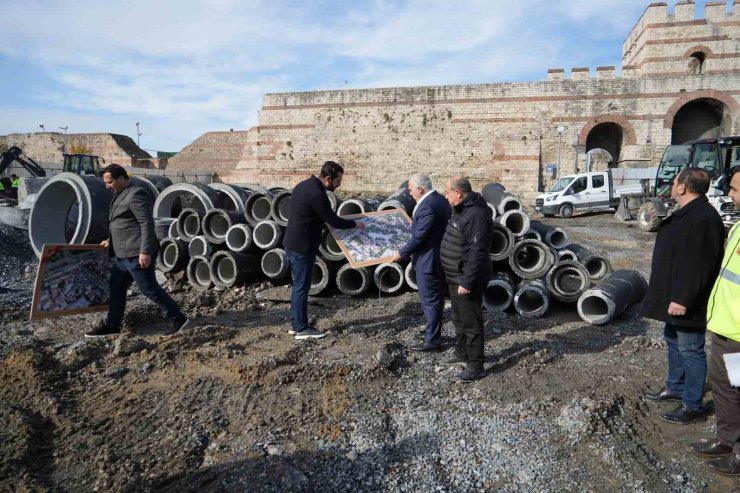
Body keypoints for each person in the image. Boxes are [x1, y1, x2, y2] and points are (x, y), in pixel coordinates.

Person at [642, 167, 725, 423]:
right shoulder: (688, 213)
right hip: (674, 296)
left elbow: (699, 264)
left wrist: (683, 299)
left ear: (683, 187)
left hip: (686, 300)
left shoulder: (703, 217)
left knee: (691, 349)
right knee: (673, 340)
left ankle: (693, 404)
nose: (672, 185)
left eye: (675, 182)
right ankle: (675, 387)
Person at [85, 164, 190, 337]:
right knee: (116, 286)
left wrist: (145, 251)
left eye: (109, 182)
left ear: (121, 178)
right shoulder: (119, 194)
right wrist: (110, 240)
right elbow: (124, 223)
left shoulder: (136, 194)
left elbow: (146, 223)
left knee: (149, 289)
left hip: (136, 253)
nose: (107, 185)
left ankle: (178, 319)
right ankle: (113, 326)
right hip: (123, 255)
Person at [687, 166, 740, 476]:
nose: (729, 194)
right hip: (724, 326)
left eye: (734, 189)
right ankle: (726, 439)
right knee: (725, 389)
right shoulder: (736, 228)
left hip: (738, 333)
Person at [283, 161, 365, 340]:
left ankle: (296, 324)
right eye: (338, 181)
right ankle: (301, 328)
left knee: (299, 286)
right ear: (328, 179)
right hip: (302, 246)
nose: (339, 185)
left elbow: (313, 214)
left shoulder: (304, 186)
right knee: (302, 287)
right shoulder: (316, 194)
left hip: (293, 242)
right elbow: (334, 221)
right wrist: (355, 223)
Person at [438, 175, 493, 382]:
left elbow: (477, 251)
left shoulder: (476, 214)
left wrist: (467, 281)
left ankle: (475, 364)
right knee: (458, 318)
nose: (445, 196)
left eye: (447, 192)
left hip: (466, 279)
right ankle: (462, 353)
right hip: (455, 276)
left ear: (458, 193)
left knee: (471, 322)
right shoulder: (461, 210)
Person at [391, 174, 451, 351]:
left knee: (430, 300)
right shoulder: (439, 200)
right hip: (438, 257)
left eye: (410, 190)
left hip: (429, 261)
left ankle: (432, 341)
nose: (410, 194)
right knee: (436, 298)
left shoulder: (428, 206)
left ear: (419, 189)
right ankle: (433, 332)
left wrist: (401, 252)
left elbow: (420, 236)